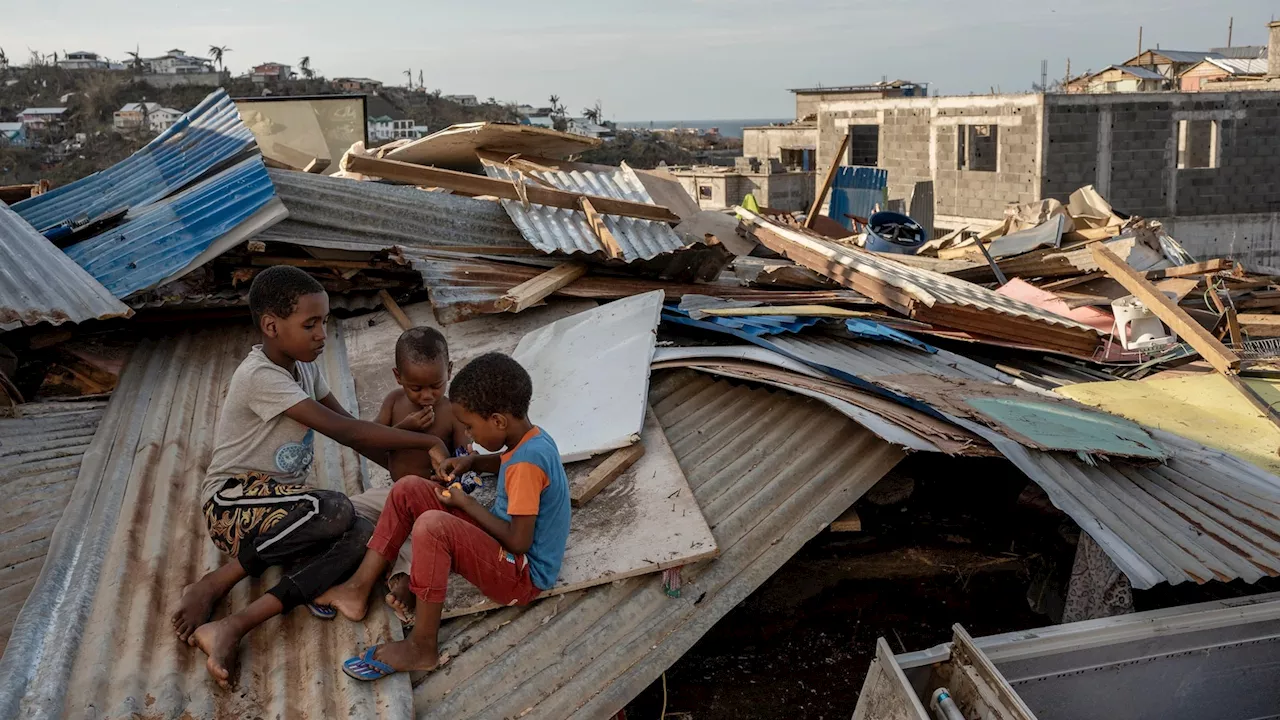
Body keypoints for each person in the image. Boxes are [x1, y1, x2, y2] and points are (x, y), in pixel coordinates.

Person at [169, 266, 451, 690]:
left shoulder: (305, 367)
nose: (322, 333)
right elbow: (344, 431)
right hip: (232, 504)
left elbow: (354, 432)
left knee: (367, 531)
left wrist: (411, 476)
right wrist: (421, 440)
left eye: (325, 322)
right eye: (310, 324)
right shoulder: (260, 376)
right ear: (271, 326)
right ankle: (213, 583)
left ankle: (235, 625)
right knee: (334, 507)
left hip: (286, 510)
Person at [317, 352, 571, 681]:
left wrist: (465, 504)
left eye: (470, 427)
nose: (469, 435)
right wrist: (472, 462)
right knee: (409, 488)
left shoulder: (526, 465)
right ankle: (358, 588)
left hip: (523, 575)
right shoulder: (531, 439)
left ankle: (422, 645)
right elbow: (505, 462)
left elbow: (519, 541)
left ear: (497, 421)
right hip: (504, 547)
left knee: (432, 526)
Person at [349, 326, 471, 625]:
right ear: (398, 376)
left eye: (435, 385)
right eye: (416, 388)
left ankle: (404, 583)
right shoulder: (393, 402)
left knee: (421, 540)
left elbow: (466, 455)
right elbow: (372, 439)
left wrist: (458, 466)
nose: (427, 395)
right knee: (349, 509)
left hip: (431, 500)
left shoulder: (451, 411)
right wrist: (405, 428)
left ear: (450, 371)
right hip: (393, 497)